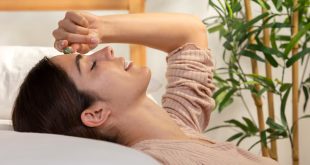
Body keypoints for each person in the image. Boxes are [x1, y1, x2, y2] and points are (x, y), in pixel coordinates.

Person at [12, 11, 278, 165]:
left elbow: (191, 34)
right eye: (92, 65)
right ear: (95, 114)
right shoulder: (159, 160)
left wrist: (98, 27)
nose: (107, 50)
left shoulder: (179, 126)